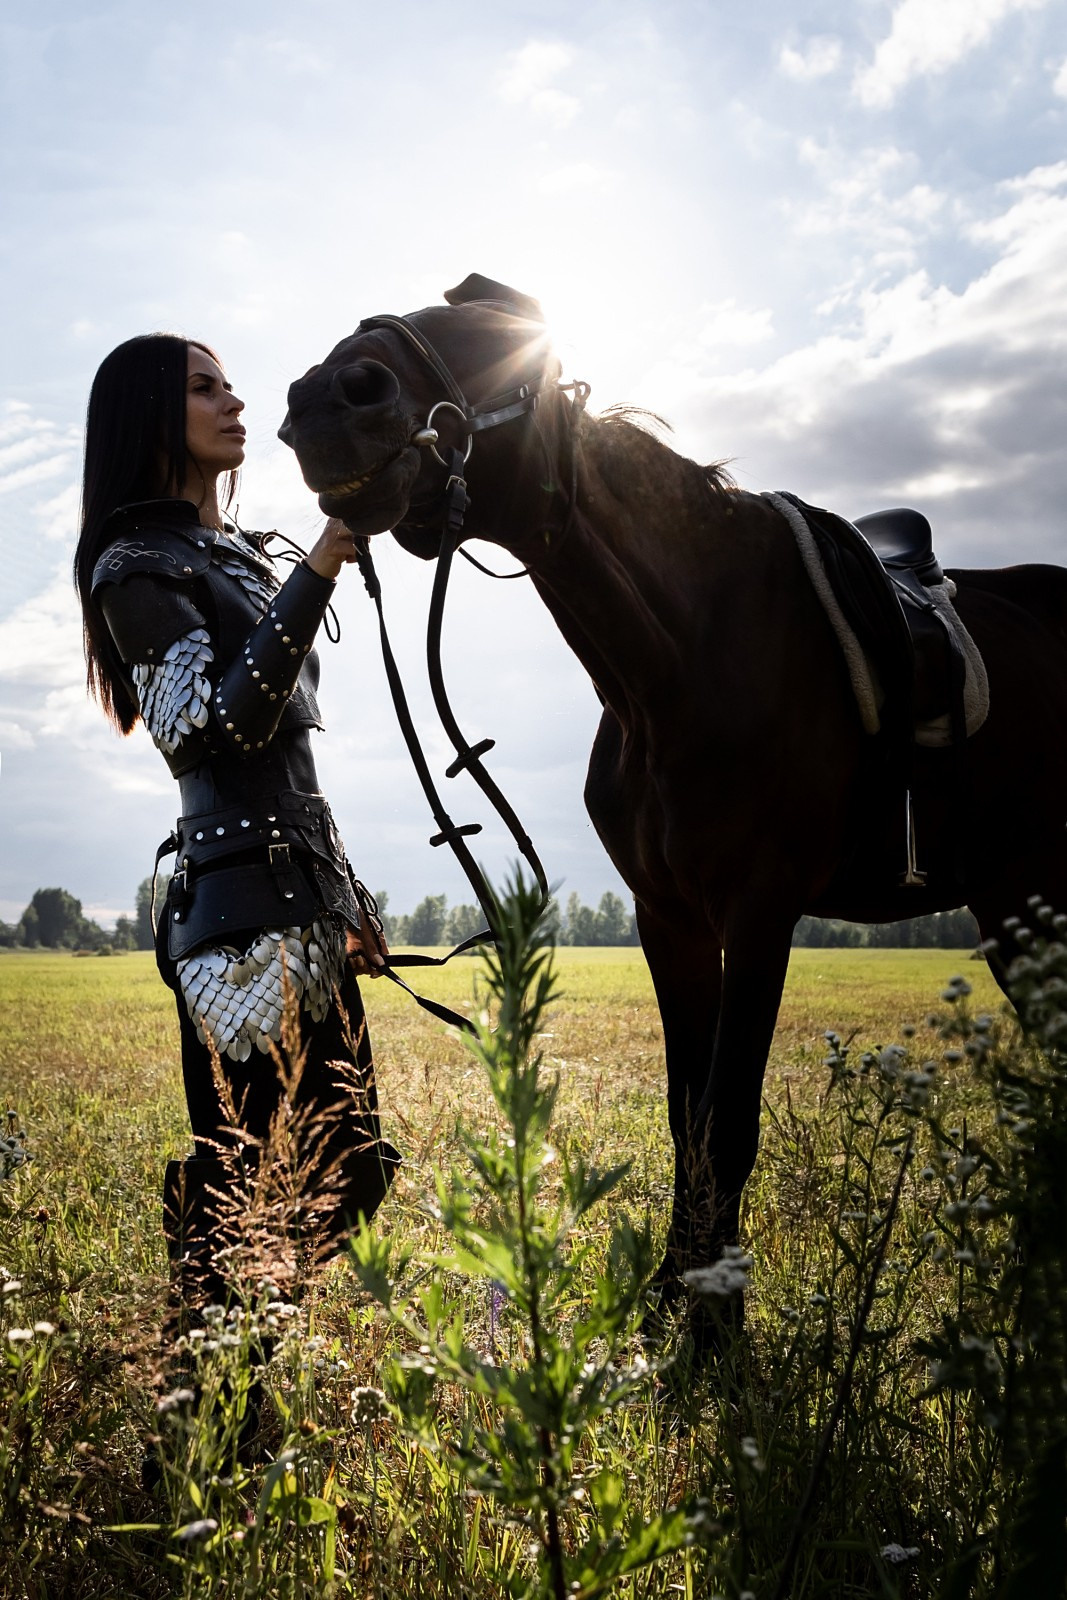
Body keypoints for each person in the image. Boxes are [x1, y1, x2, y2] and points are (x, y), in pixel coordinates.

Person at [73, 333, 400, 1319]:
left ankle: (217, 1321)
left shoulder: (240, 562)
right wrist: (323, 565)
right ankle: (217, 1390)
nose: (233, 400)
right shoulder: (133, 567)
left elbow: (291, 759)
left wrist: (347, 900)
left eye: (227, 382)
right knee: (251, 1182)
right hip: (232, 931)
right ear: (148, 418)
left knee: (353, 1170)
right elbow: (206, 725)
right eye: (203, 388)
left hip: (303, 900)